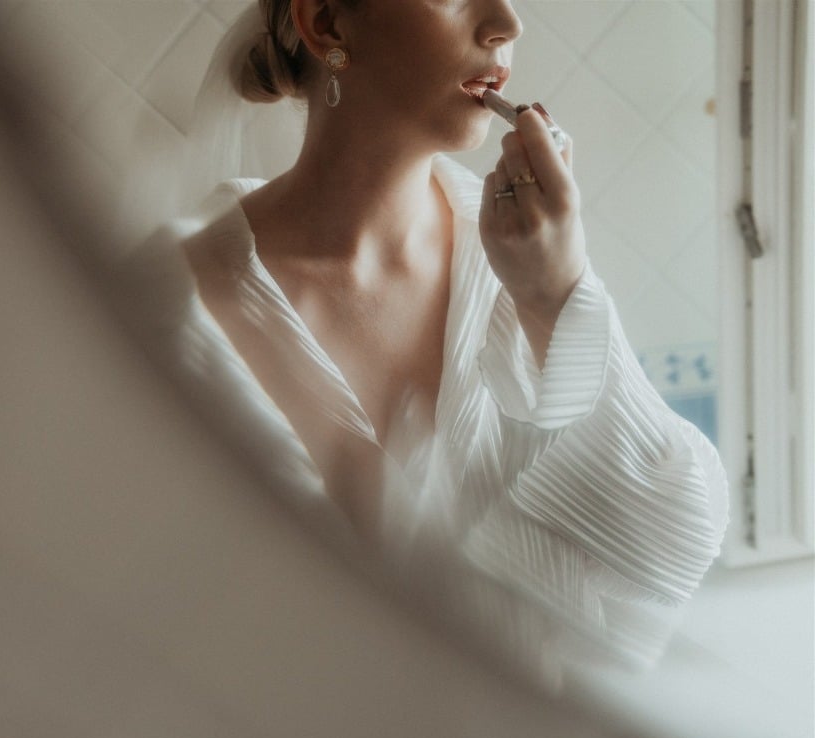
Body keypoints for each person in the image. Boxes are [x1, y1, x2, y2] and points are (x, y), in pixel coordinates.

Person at [127, 0, 727, 673]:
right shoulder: (174, 308)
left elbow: (673, 531)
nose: (507, 22)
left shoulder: (526, 262)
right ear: (326, 22)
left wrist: (560, 296)